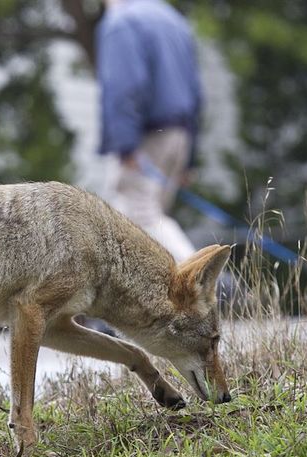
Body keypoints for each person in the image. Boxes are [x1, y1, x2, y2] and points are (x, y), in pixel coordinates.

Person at [96, 0, 201, 263]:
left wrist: (125, 145)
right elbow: (197, 93)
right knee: (152, 223)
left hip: (147, 138)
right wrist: (189, 159)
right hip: (179, 136)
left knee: (137, 219)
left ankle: (211, 288)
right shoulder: (175, 21)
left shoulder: (121, 23)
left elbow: (123, 89)